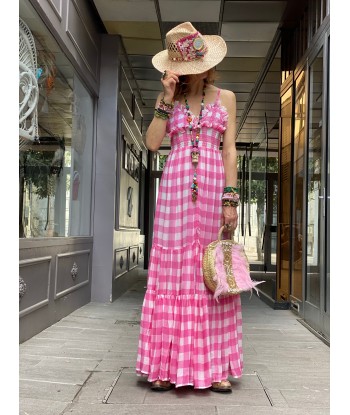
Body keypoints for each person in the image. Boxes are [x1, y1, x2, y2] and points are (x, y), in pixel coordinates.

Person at [136, 21, 242, 393]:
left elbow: (229, 151)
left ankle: (214, 368)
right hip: (175, 193)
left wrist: (231, 199)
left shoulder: (225, 97)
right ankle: (165, 365)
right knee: (173, 273)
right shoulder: (169, 99)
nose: (189, 73)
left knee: (212, 271)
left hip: (214, 191)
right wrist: (165, 99)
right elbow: (151, 144)